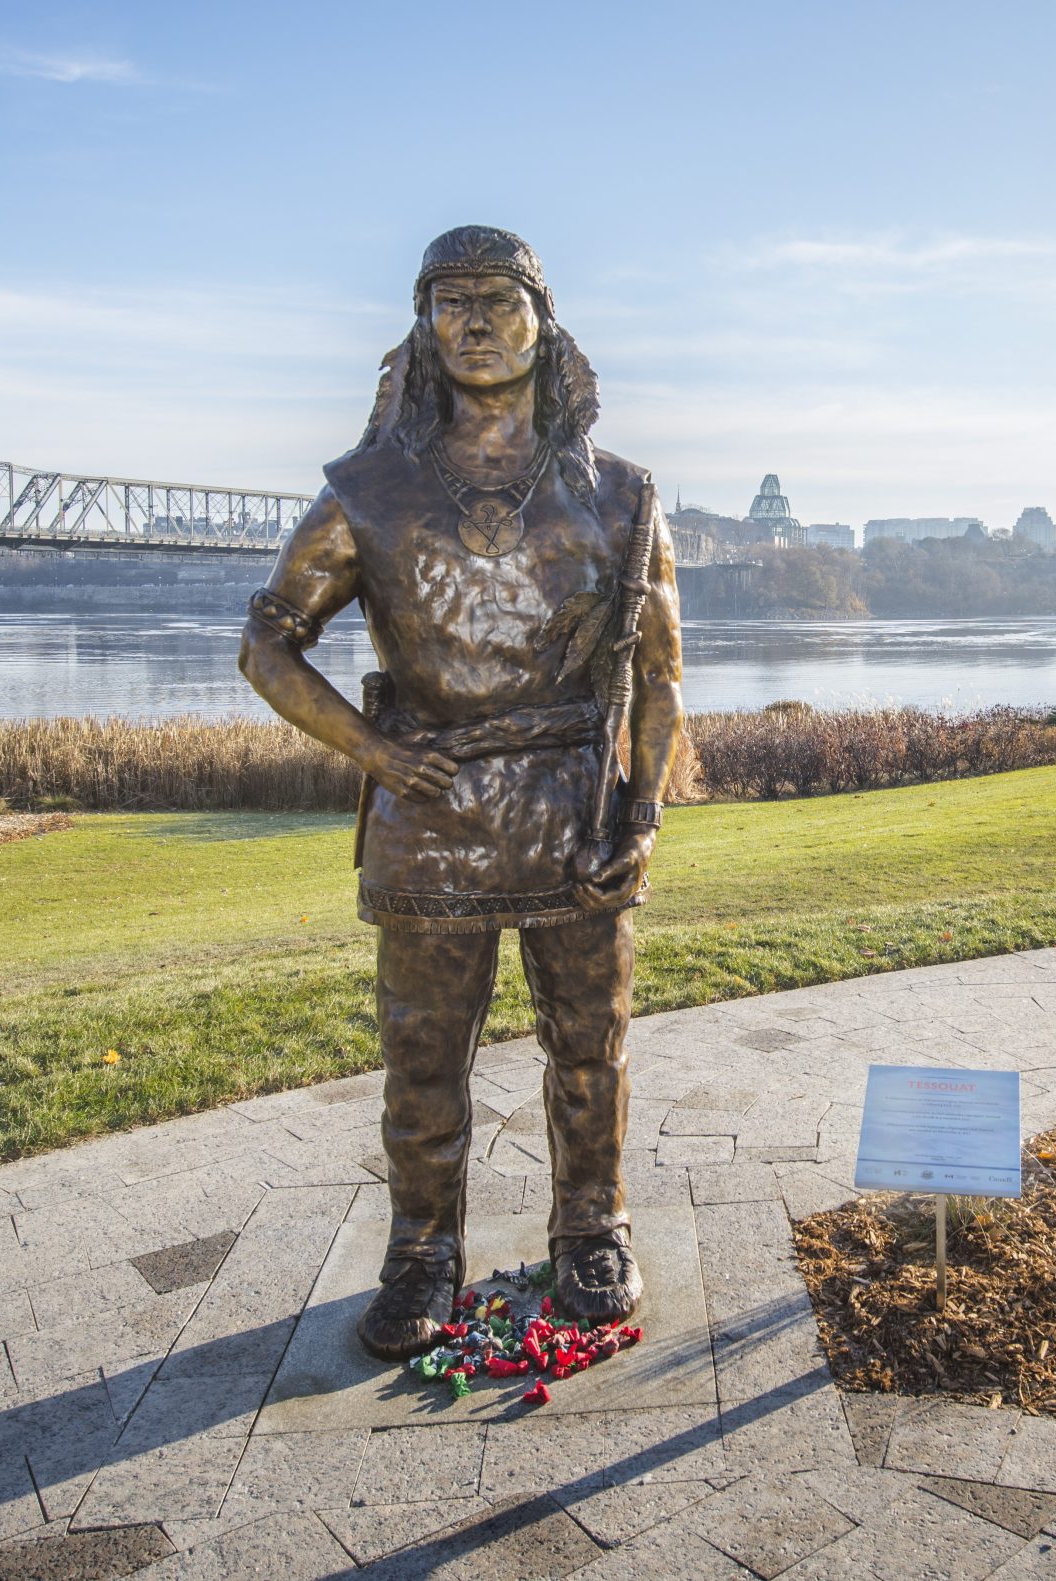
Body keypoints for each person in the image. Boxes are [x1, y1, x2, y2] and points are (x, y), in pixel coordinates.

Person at [239, 226, 683, 1359]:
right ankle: (422, 1250)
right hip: (428, 817)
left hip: (573, 813)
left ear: (545, 323)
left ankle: (594, 1228)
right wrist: (377, 757)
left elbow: (660, 677)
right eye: (449, 304)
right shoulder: (368, 491)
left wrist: (644, 813)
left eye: (498, 300)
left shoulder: (623, 495)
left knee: (592, 1044)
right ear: (421, 329)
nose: (475, 322)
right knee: (421, 1057)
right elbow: (270, 644)